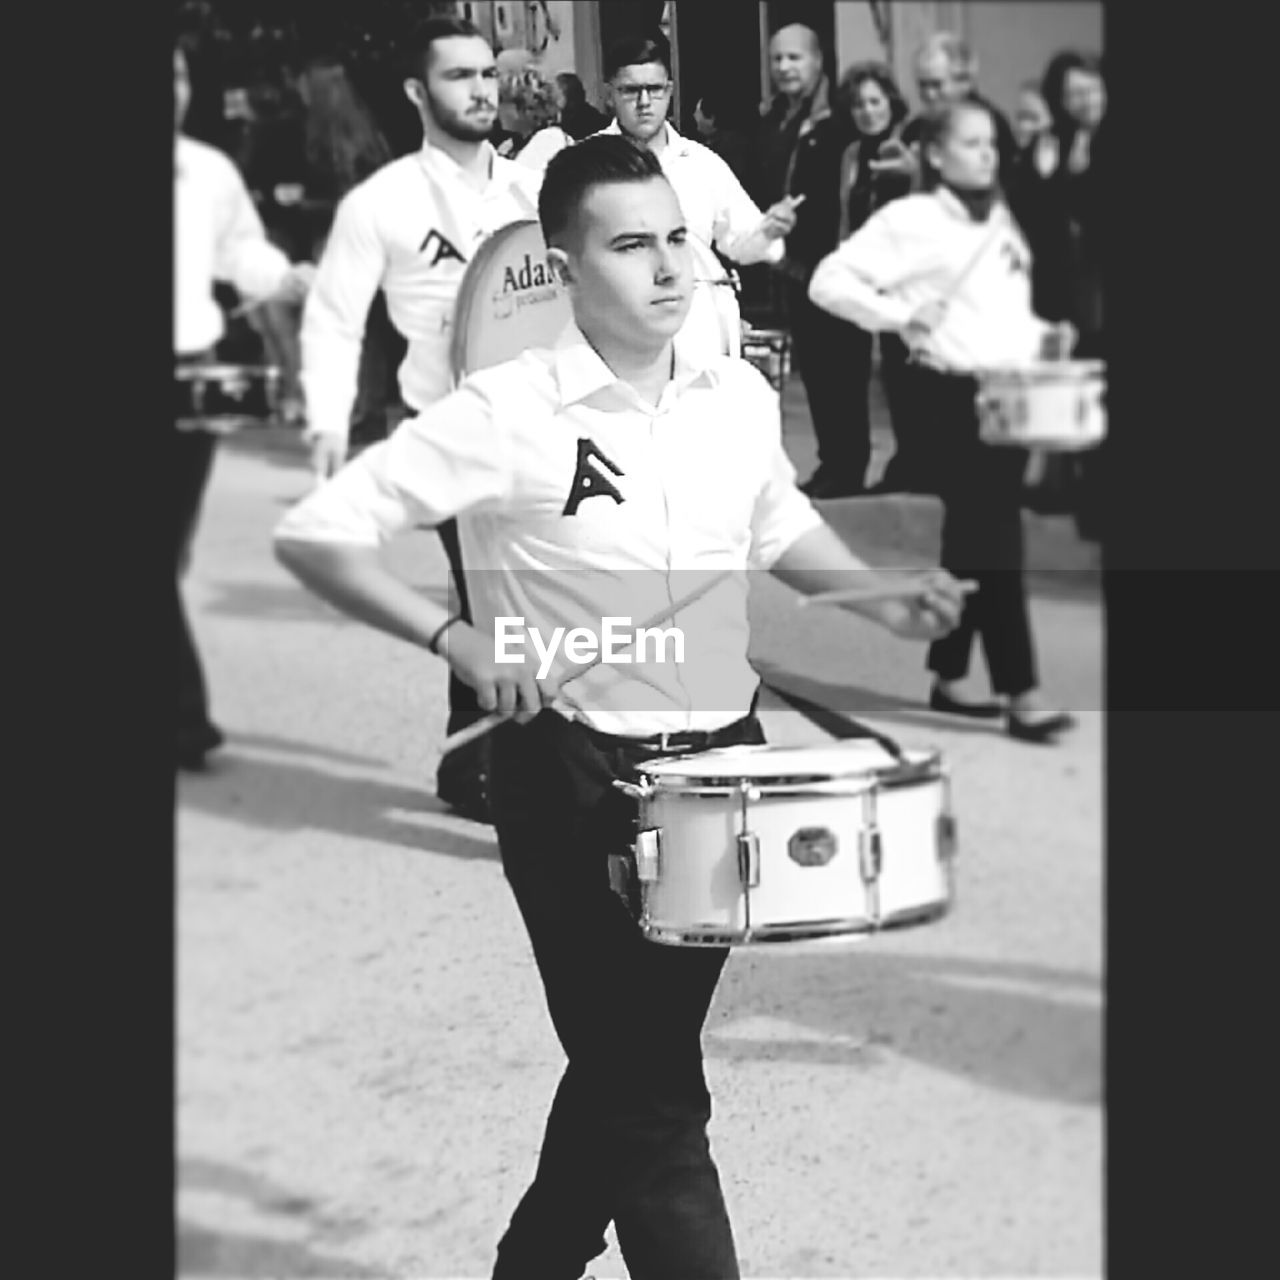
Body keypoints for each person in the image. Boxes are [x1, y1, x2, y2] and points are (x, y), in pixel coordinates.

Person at [274, 134, 970, 1279]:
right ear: (561, 261)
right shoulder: (504, 409)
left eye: (679, 240)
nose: (669, 267)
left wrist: (881, 602)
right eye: (631, 243)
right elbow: (319, 532)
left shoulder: (734, 392)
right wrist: (453, 636)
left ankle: (531, 1261)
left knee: (624, 1064)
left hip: (718, 782)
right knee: (651, 1095)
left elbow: (772, 527)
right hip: (568, 782)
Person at [298, 15, 544, 820]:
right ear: (416, 91)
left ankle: (471, 755)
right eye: (458, 77)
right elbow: (335, 314)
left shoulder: (536, 189)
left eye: (486, 75)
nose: (481, 90)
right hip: (449, 428)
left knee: (529, 598)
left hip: (545, 422)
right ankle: (496, 766)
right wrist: (328, 422)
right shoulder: (386, 201)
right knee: (495, 604)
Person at [809, 100, 1079, 743]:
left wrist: (1046, 337)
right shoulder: (913, 219)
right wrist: (898, 317)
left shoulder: (1000, 218)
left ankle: (951, 676)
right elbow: (828, 280)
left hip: (1007, 391)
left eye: (992, 141)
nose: (987, 152)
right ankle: (1022, 691)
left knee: (972, 539)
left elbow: (995, 314)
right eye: (971, 142)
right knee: (996, 540)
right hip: (951, 400)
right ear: (935, 153)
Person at [174, 34, 315, 771]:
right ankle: (182, 721)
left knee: (166, 549)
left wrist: (286, 277)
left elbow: (240, 253)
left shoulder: (207, 174)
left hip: (188, 376)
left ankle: (178, 718)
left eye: (175, 75)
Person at [516, 34, 799, 365]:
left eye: (655, 89)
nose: (645, 101)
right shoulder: (583, 165)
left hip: (697, 335)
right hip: (616, 337)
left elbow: (741, 240)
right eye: (631, 91)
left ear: (670, 89)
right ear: (609, 94)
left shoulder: (700, 163)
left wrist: (770, 230)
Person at [754, 23, 867, 500]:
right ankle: (831, 460)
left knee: (842, 368)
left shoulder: (841, 122)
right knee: (817, 370)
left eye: (794, 58)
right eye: (778, 59)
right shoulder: (779, 118)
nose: (784, 68)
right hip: (795, 268)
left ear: (819, 61)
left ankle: (848, 464)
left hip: (835, 265)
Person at [831, 61, 918, 495]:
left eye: (874, 102)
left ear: (891, 102)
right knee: (890, 379)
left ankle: (921, 466)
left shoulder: (909, 146)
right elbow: (848, 218)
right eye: (859, 105)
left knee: (914, 374)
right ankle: (906, 462)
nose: (867, 112)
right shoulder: (852, 154)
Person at [692, 91, 752, 186]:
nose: (694, 116)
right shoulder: (708, 143)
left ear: (711, 118)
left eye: (697, 112)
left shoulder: (734, 145)